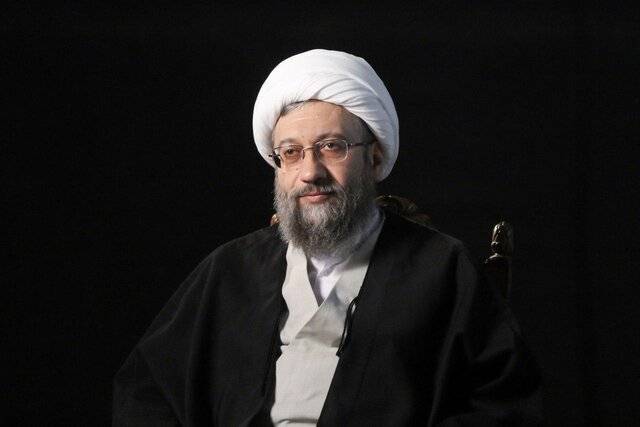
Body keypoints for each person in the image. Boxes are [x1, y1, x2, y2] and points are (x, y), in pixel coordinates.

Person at [113, 49, 543, 426]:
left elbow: (504, 405)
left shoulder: (441, 268)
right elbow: (147, 390)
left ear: (374, 157)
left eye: (332, 146)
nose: (310, 172)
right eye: (291, 153)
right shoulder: (231, 270)